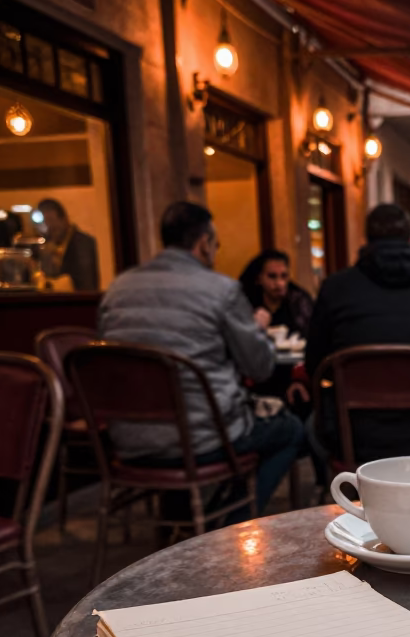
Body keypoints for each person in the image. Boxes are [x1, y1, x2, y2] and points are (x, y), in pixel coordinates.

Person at [99, 201, 305, 516]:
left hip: (129, 441)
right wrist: (257, 330)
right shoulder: (221, 290)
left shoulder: (117, 289)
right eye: (216, 245)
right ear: (204, 243)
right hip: (202, 440)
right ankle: (232, 523)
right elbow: (260, 368)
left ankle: (186, 520)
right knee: (290, 430)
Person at [306, 203, 410, 463]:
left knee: (310, 426)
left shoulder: (335, 288)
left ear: (366, 241)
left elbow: (315, 365)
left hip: (353, 436)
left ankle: (339, 484)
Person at [239, 249, 314, 338]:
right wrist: (253, 326)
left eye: (284, 276)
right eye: (272, 276)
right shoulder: (246, 301)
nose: (280, 283)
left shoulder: (299, 300)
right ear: (259, 279)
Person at [37, 198, 100, 291]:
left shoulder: (82, 243)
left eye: (51, 220)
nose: (50, 226)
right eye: (46, 222)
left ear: (64, 219)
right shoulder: (49, 242)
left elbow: (86, 281)